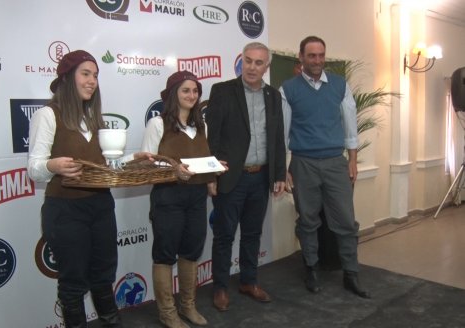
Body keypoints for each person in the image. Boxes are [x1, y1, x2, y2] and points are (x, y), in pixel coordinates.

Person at [28, 50, 153, 327]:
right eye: (86, 73)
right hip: (65, 210)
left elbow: (105, 167)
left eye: (95, 75)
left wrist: (134, 158)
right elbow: (33, 168)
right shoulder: (47, 115)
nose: (92, 81)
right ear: (67, 77)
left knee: (104, 275)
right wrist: (53, 165)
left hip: (100, 206)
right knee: (73, 282)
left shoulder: (95, 120)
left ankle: (111, 321)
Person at [280, 36, 371, 298]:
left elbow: (350, 126)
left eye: (321, 55)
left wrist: (352, 160)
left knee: (345, 221)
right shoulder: (288, 89)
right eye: (311, 56)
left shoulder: (340, 86)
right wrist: (284, 167)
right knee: (307, 221)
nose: (317, 60)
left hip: (335, 163)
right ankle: (311, 268)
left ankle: (351, 274)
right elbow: (283, 133)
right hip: (303, 163)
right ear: (301, 57)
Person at [205, 42, 286, 311]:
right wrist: (212, 174)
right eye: (248, 61)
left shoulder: (274, 96)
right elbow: (212, 138)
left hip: (260, 177)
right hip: (231, 178)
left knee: (252, 234)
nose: (252, 67)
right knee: (224, 236)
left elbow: (277, 138)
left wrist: (278, 174)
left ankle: (248, 282)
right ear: (241, 61)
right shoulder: (222, 91)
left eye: (258, 63)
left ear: (267, 66)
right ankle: (220, 288)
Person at [141, 70, 219, 328]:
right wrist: (172, 170)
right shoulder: (158, 124)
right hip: (168, 197)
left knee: (191, 251)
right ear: (174, 94)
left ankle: (188, 306)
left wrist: (213, 174)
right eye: (186, 90)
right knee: (165, 255)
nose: (192, 95)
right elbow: (147, 166)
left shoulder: (201, 125)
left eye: (195, 91)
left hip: (196, 197)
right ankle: (167, 312)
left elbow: (204, 159)